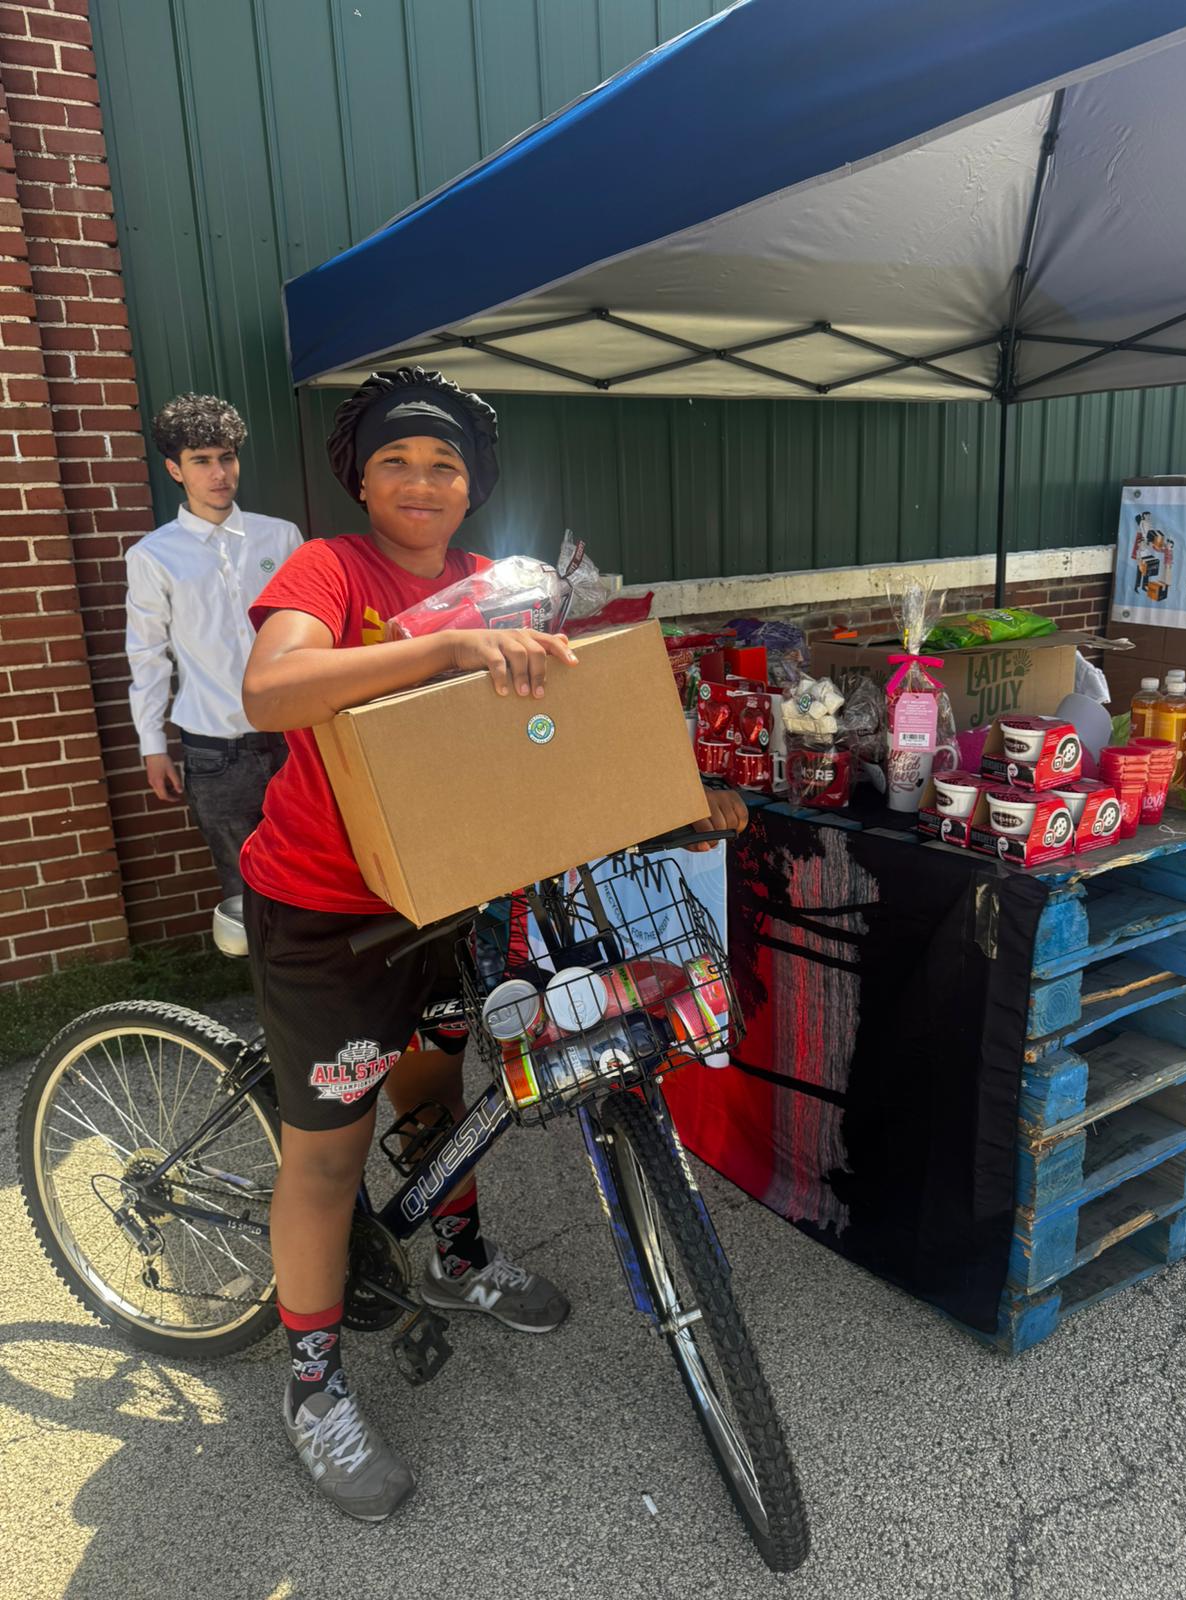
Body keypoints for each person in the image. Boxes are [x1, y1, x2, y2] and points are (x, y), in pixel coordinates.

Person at [239, 366, 748, 1521]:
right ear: (359, 476)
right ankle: (312, 1382)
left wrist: (677, 793)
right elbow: (272, 691)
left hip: (452, 897)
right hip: (329, 910)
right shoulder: (331, 570)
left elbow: (554, 731)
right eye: (398, 462)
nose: (422, 481)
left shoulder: (499, 583)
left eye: (446, 464)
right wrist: (447, 651)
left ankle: (452, 1256)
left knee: (447, 1080)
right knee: (327, 1156)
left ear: (474, 486)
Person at [125, 394, 303, 897]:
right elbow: (147, 654)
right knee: (244, 891)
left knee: (314, 874)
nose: (218, 472)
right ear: (174, 469)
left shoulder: (281, 538)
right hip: (214, 755)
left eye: (226, 457)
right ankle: (263, 976)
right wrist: (152, 747)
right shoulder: (153, 556)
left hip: (293, 742)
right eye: (201, 461)